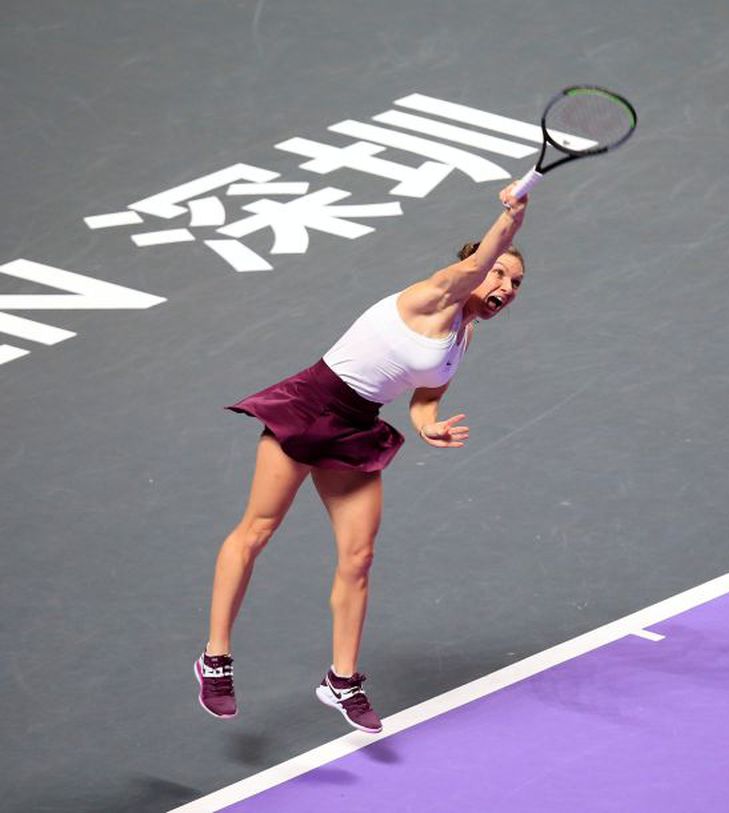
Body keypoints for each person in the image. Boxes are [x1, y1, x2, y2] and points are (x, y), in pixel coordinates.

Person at [194, 183, 528, 734]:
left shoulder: (462, 335)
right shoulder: (435, 294)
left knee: (359, 557)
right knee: (256, 531)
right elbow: (487, 254)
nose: (506, 286)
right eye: (498, 274)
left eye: (516, 283)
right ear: (472, 265)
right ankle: (215, 658)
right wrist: (512, 216)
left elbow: (424, 396)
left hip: (355, 427)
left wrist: (428, 428)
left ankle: (341, 679)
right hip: (309, 405)